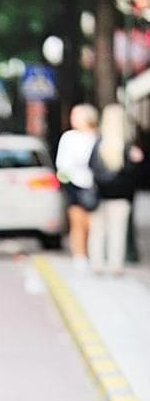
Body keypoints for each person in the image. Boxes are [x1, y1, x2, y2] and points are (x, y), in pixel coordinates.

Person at [88, 103, 144, 276]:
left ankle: (96, 264)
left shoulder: (99, 144)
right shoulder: (128, 148)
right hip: (121, 196)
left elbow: (91, 167)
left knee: (98, 232)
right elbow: (135, 175)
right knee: (117, 232)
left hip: (100, 195)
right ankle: (115, 266)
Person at [55, 104, 99, 270]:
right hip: (75, 184)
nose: (72, 119)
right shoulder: (69, 137)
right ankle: (79, 256)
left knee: (93, 224)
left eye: (76, 115)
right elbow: (62, 164)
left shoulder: (98, 137)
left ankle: (92, 253)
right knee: (77, 221)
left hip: (96, 185)